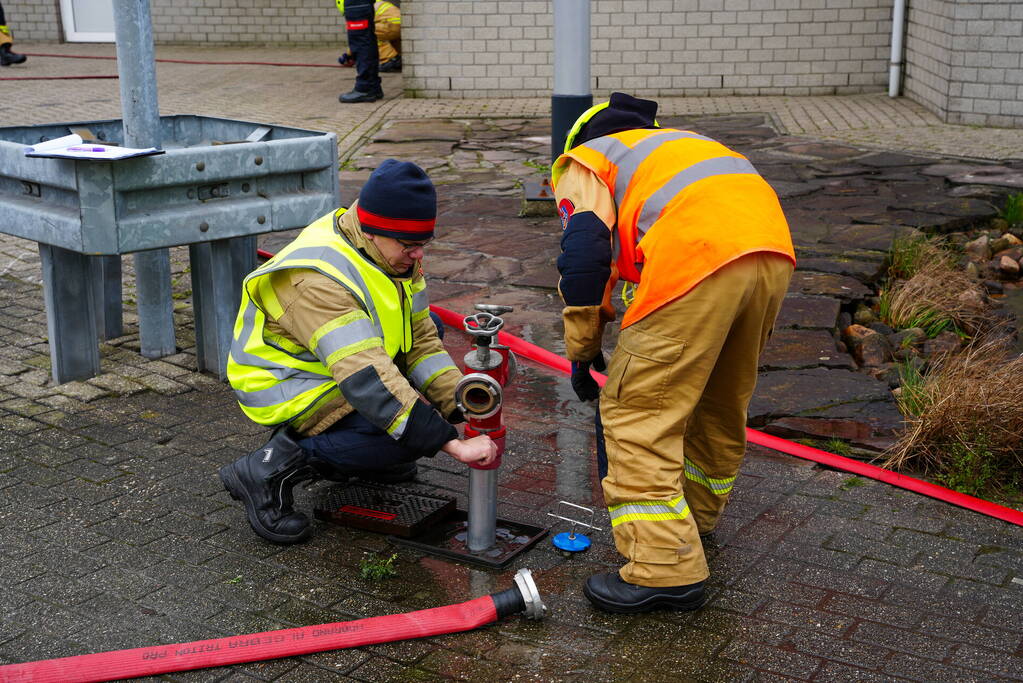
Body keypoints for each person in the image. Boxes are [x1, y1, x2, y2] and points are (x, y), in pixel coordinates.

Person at [551, 93, 795, 613]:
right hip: (771, 257)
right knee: (717, 402)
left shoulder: (587, 160)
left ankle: (662, 569)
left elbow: (585, 253)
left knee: (637, 413)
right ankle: (693, 525)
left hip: (696, 259)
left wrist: (581, 346)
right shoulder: (683, 149)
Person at [221, 159, 497, 544]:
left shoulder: (391, 253)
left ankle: (370, 454)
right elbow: (367, 378)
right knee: (397, 435)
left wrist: (459, 403)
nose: (418, 256)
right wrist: (450, 442)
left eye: (423, 245)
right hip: (288, 384)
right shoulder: (316, 279)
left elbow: (419, 338)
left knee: (424, 354)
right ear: (373, 231)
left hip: (334, 366)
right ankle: (266, 469)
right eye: (410, 246)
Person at [336, 0, 385, 103]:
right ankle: (373, 87)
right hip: (360, 5)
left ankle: (365, 88)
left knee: (361, 45)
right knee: (367, 42)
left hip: (357, 5)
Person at [337, 0, 402, 74]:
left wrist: (348, 55)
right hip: (400, 25)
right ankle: (399, 58)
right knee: (389, 37)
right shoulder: (372, 2)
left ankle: (389, 60)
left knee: (370, 34)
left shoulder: (359, 11)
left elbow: (359, 36)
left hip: (389, 24)